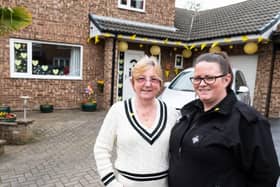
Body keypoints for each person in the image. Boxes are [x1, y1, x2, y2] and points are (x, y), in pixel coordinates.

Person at [168, 52, 280, 187]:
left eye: (209, 78)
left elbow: (266, 176)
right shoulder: (189, 112)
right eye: (197, 78)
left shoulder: (247, 121)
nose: (202, 84)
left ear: (226, 79)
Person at [94, 56, 179, 187]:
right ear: (132, 83)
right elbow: (101, 149)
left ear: (160, 84)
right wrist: (111, 183)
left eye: (154, 79)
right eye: (141, 79)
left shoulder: (172, 113)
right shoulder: (118, 110)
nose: (148, 84)